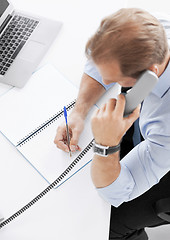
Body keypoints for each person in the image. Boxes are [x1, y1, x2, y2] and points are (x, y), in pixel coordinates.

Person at [54, 8, 170, 240]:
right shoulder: (153, 32)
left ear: (150, 75)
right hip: (153, 133)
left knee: (107, 225)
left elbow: (117, 193)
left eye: (115, 80)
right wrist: (80, 111)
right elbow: (98, 65)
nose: (106, 83)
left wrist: (106, 145)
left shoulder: (165, 126)